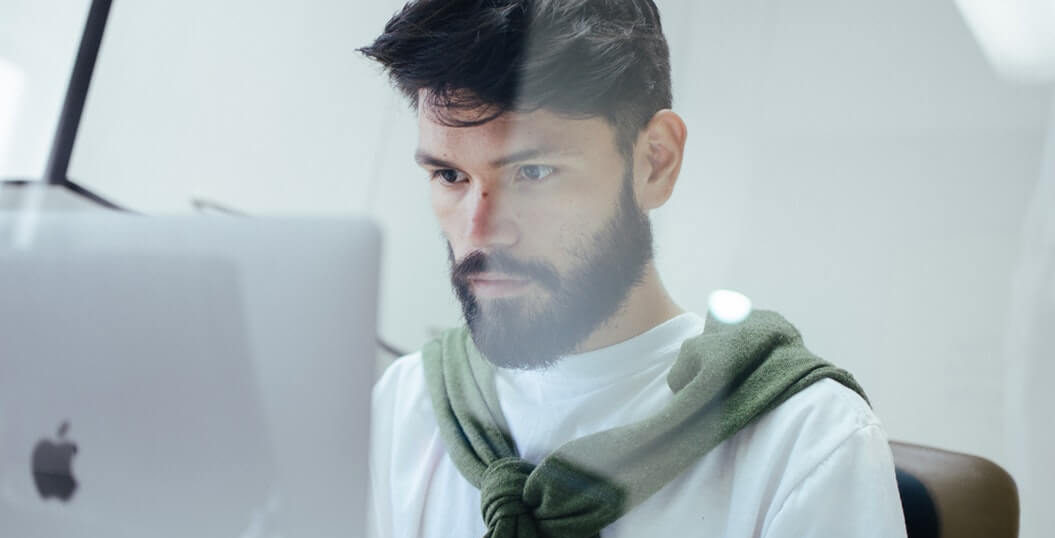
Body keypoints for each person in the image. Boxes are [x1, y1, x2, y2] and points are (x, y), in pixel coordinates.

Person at [360, 1, 907, 536]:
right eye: (450, 176)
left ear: (655, 163)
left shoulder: (806, 443)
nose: (479, 231)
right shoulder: (406, 405)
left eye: (534, 172)